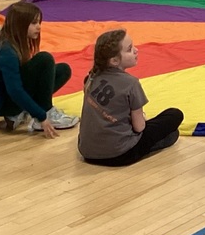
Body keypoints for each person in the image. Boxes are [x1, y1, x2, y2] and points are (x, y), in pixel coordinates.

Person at [77, 29, 184, 166]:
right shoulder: (131, 83)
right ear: (114, 60)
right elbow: (139, 127)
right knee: (174, 115)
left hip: (86, 151)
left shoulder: (91, 76)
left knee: (167, 132)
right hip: (120, 154)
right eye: (129, 49)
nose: (136, 50)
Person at [0, 0, 79, 136]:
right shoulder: (6, 51)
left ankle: (22, 112)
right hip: (3, 104)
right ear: (20, 25)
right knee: (44, 59)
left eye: (39, 22)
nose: (39, 27)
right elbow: (14, 90)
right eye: (34, 23)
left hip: (8, 97)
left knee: (63, 70)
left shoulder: (15, 43)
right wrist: (41, 116)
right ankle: (45, 111)